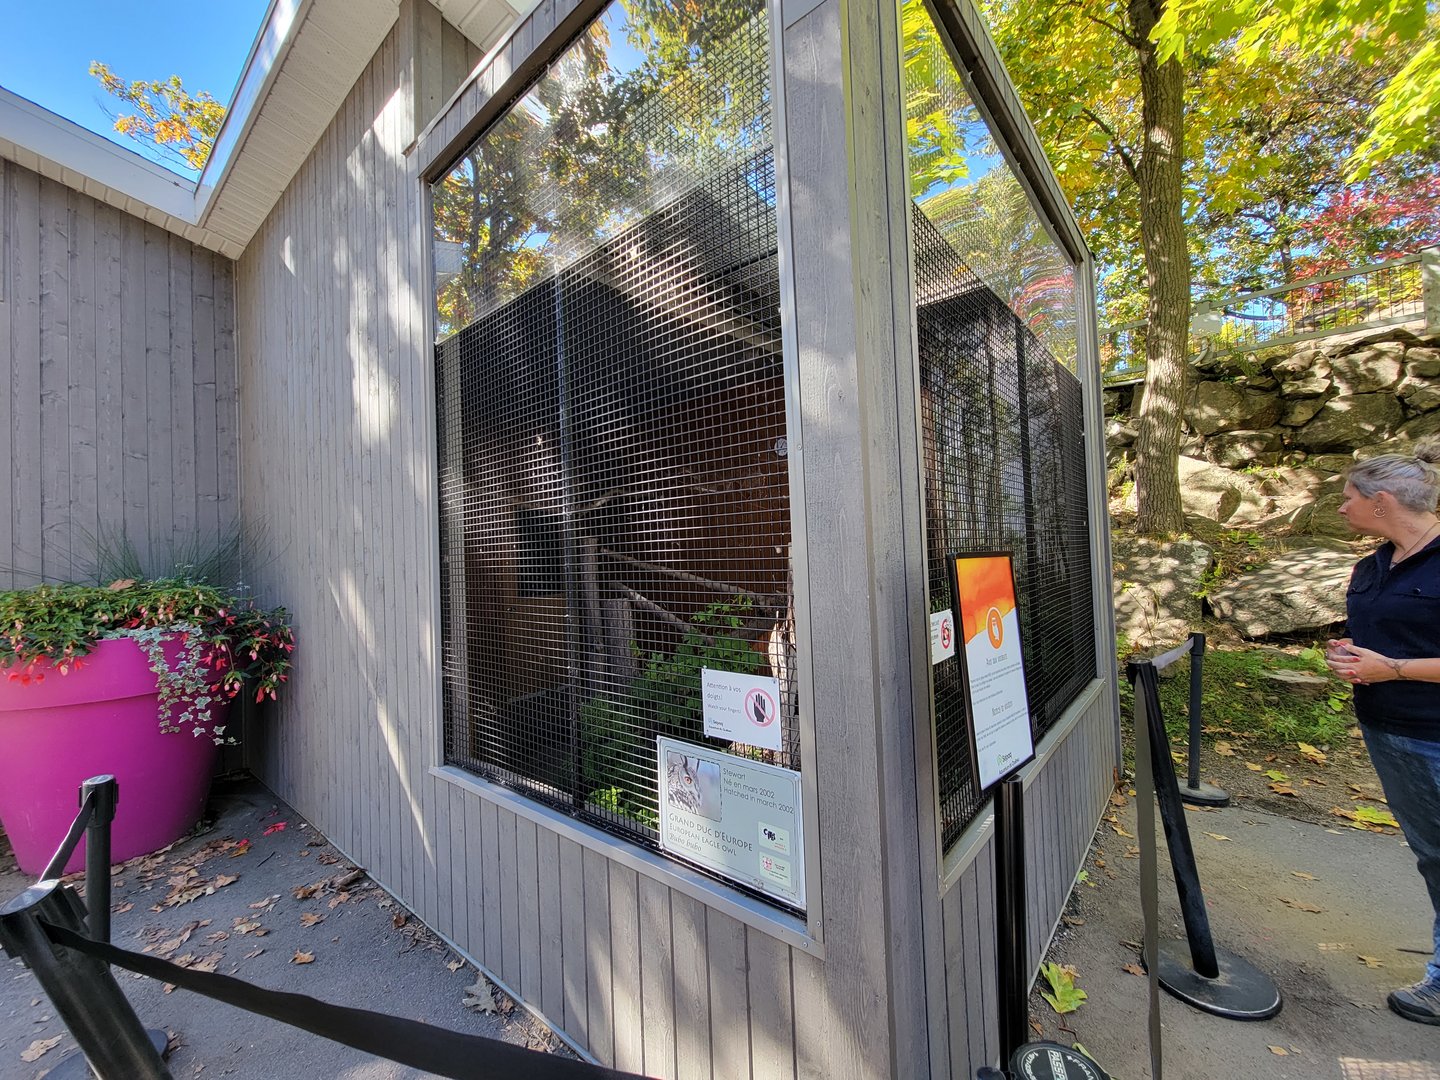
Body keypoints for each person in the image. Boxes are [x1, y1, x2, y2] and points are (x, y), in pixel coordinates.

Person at [1325, 435, 1440, 1025]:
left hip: (1433, 733)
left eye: (1349, 497)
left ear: (1383, 500)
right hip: (1388, 730)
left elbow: (1399, 657)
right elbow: (1374, 635)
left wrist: (1390, 668)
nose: (1341, 507)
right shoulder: (1371, 565)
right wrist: (1346, 654)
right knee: (1432, 854)